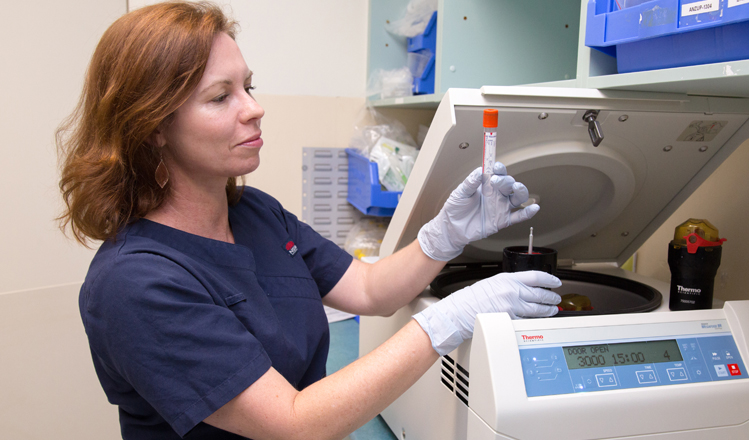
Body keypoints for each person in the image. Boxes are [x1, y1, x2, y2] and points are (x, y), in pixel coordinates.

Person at [57, 2, 561, 439]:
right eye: (220, 96)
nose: (254, 109)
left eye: (249, 87)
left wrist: (442, 238)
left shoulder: (256, 213)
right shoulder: (135, 283)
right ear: (153, 127)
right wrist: (447, 320)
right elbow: (293, 423)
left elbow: (368, 290)